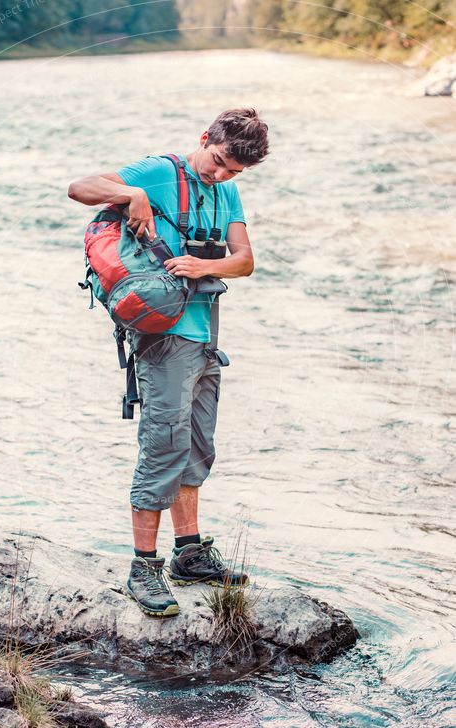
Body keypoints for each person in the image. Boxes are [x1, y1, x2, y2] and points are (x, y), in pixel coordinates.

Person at [68, 108, 269, 618]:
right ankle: (143, 567)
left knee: (198, 445)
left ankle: (191, 553)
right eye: (219, 161)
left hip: (206, 338)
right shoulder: (160, 171)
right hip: (164, 337)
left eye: (233, 171)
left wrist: (207, 264)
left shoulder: (228, 191)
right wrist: (131, 194)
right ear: (205, 139)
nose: (220, 175)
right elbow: (79, 187)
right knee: (163, 444)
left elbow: (244, 260)